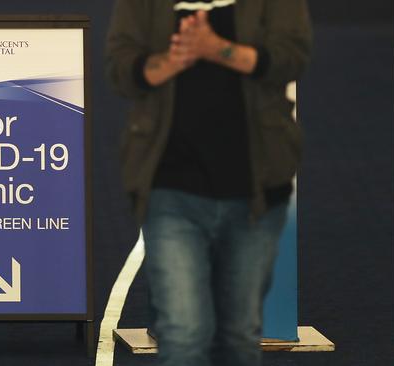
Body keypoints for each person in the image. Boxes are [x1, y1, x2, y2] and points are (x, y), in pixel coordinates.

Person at [105, 1, 312, 365]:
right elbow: (120, 68)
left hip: (256, 188)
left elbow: (292, 57)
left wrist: (215, 48)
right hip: (169, 187)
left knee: (239, 336)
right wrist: (174, 60)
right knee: (184, 334)